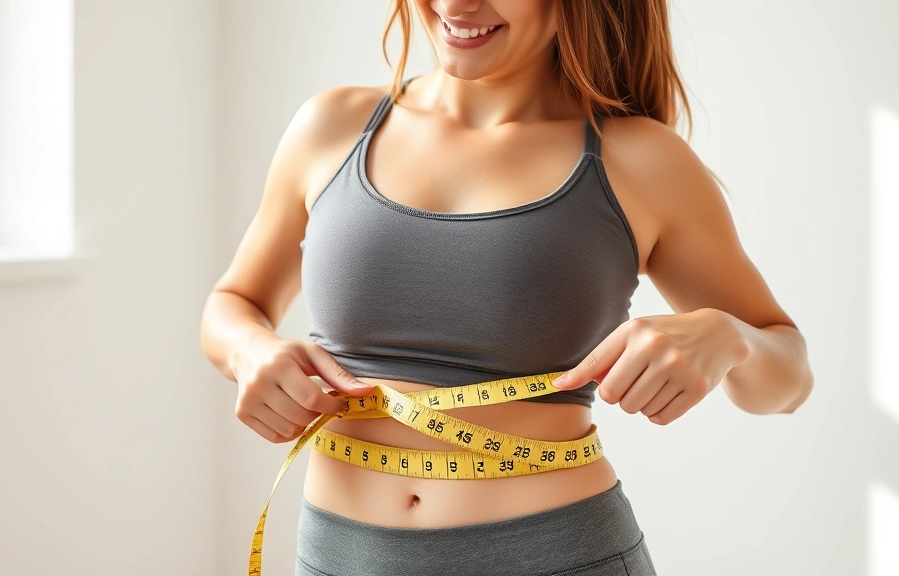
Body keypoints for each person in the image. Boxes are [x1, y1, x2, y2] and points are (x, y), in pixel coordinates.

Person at [199, 0, 815, 574]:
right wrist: (251, 348)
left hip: (556, 555)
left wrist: (729, 337)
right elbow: (234, 304)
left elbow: (786, 381)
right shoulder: (330, 126)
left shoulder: (640, 160)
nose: (458, 4)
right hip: (338, 556)